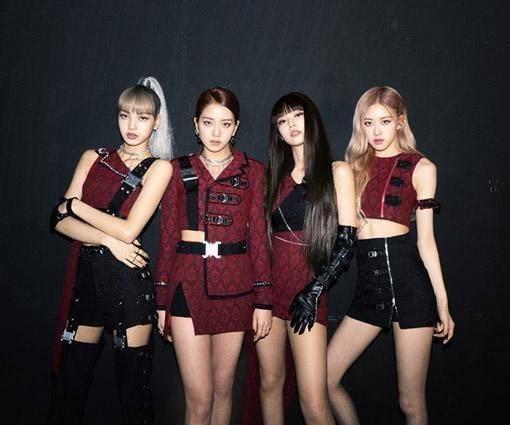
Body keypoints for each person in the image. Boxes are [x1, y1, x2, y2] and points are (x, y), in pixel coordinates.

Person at [46, 76, 174, 425]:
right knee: (69, 386)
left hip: (128, 282)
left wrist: (75, 206)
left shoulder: (160, 168)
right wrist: (108, 240)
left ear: (156, 122)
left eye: (142, 117)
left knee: (134, 394)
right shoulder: (93, 157)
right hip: (88, 277)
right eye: (124, 115)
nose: (132, 125)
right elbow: (57, 221)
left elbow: (130, 229)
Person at [327, 86, 455, 425]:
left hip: (409, 285)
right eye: (368, 123)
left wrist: (443, 303)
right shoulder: (353, 167)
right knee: (324, 379)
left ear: (400, 121)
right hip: (369, 285)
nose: (376, 131)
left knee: (410, 401)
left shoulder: (421, 167)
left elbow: (426, 241)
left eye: (384, 121)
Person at [155, 86, 273, 425]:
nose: (216, 132)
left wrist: (264, 300)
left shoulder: (254, 171)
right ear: (196, 125)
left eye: (225, 124)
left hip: (236, 289)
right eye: (208, 123)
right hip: (186, 286)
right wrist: (161, 300)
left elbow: (259, 238)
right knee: (199, 398)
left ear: (236, 127)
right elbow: (167, 239)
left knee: (223, 390)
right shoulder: (177, 169)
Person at [245, 92, 357, 425]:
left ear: (312, 119)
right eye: (282, 120)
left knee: (313, 400)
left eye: (297, 115)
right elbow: (258, 240)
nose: (291, 125)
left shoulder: (337, 171)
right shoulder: (272, 178)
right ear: (277, 131)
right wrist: (260, 294)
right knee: (269, 383)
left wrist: (314, 291)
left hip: (307, 294)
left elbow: (346, 243)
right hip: (268, 294)